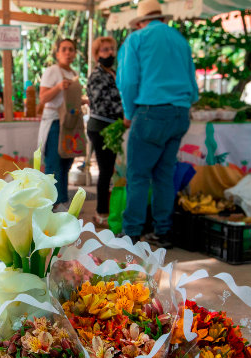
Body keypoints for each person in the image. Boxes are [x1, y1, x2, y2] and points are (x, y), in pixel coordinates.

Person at [116, 0, 198, 247]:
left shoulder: (137, 38)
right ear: (162, 18)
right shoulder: (180, 40)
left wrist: (129, 112)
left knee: (139, 176)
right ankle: (163, 232)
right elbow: (193, 83)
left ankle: (131, 233)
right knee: (164, 175)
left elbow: (128, 81)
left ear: (140, 22)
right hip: (180, 114)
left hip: (151, 111)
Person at [37, 38, 84, 211]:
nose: (67, 52)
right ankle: (48, 204)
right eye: (64, 49)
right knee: (52, 165)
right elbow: (43, 98)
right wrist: (58, 87)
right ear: (57, 53)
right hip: (54, 122)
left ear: (74, 53)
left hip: (70, 125)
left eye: (71, 49)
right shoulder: (51, 71)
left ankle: (62, 201)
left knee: (66, 165)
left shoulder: (73, 73)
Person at [86, 36, 123, 228]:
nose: (109, 53)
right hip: (101, 127)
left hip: (113, 127)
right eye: (104, 50)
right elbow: (103, 104)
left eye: (111, 49)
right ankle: (101, 212)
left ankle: (105, 209)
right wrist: (125, 112)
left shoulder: (115, 73)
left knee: (109, 170)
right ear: (96, 55)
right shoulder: (96, 76)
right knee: (105, 171)